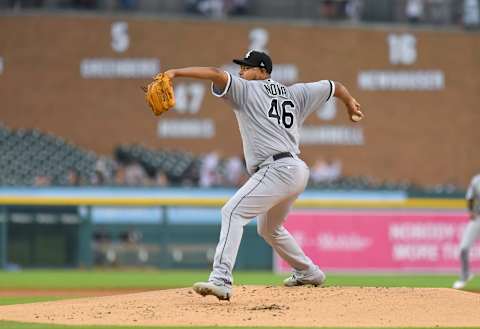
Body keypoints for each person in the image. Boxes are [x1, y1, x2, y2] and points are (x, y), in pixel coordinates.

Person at [163, 50, 363, 301]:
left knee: (232, 212)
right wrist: (350, 103)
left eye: (247, 67)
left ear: (262, 71)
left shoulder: (248, 90)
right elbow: (335, 87)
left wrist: (175, 72)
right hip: (296, 170)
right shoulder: (296, 93)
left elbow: (215, 74)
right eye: (241, 67)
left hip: (276, 169)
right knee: (270, 229)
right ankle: (308, 272)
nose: (241, 71)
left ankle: (221, 279)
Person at [453, 173, 480, 289]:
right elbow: (470, 197)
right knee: (463, 248)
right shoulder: (476, 180)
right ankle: (465, 275)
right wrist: (470, 211)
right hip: (478, 217)